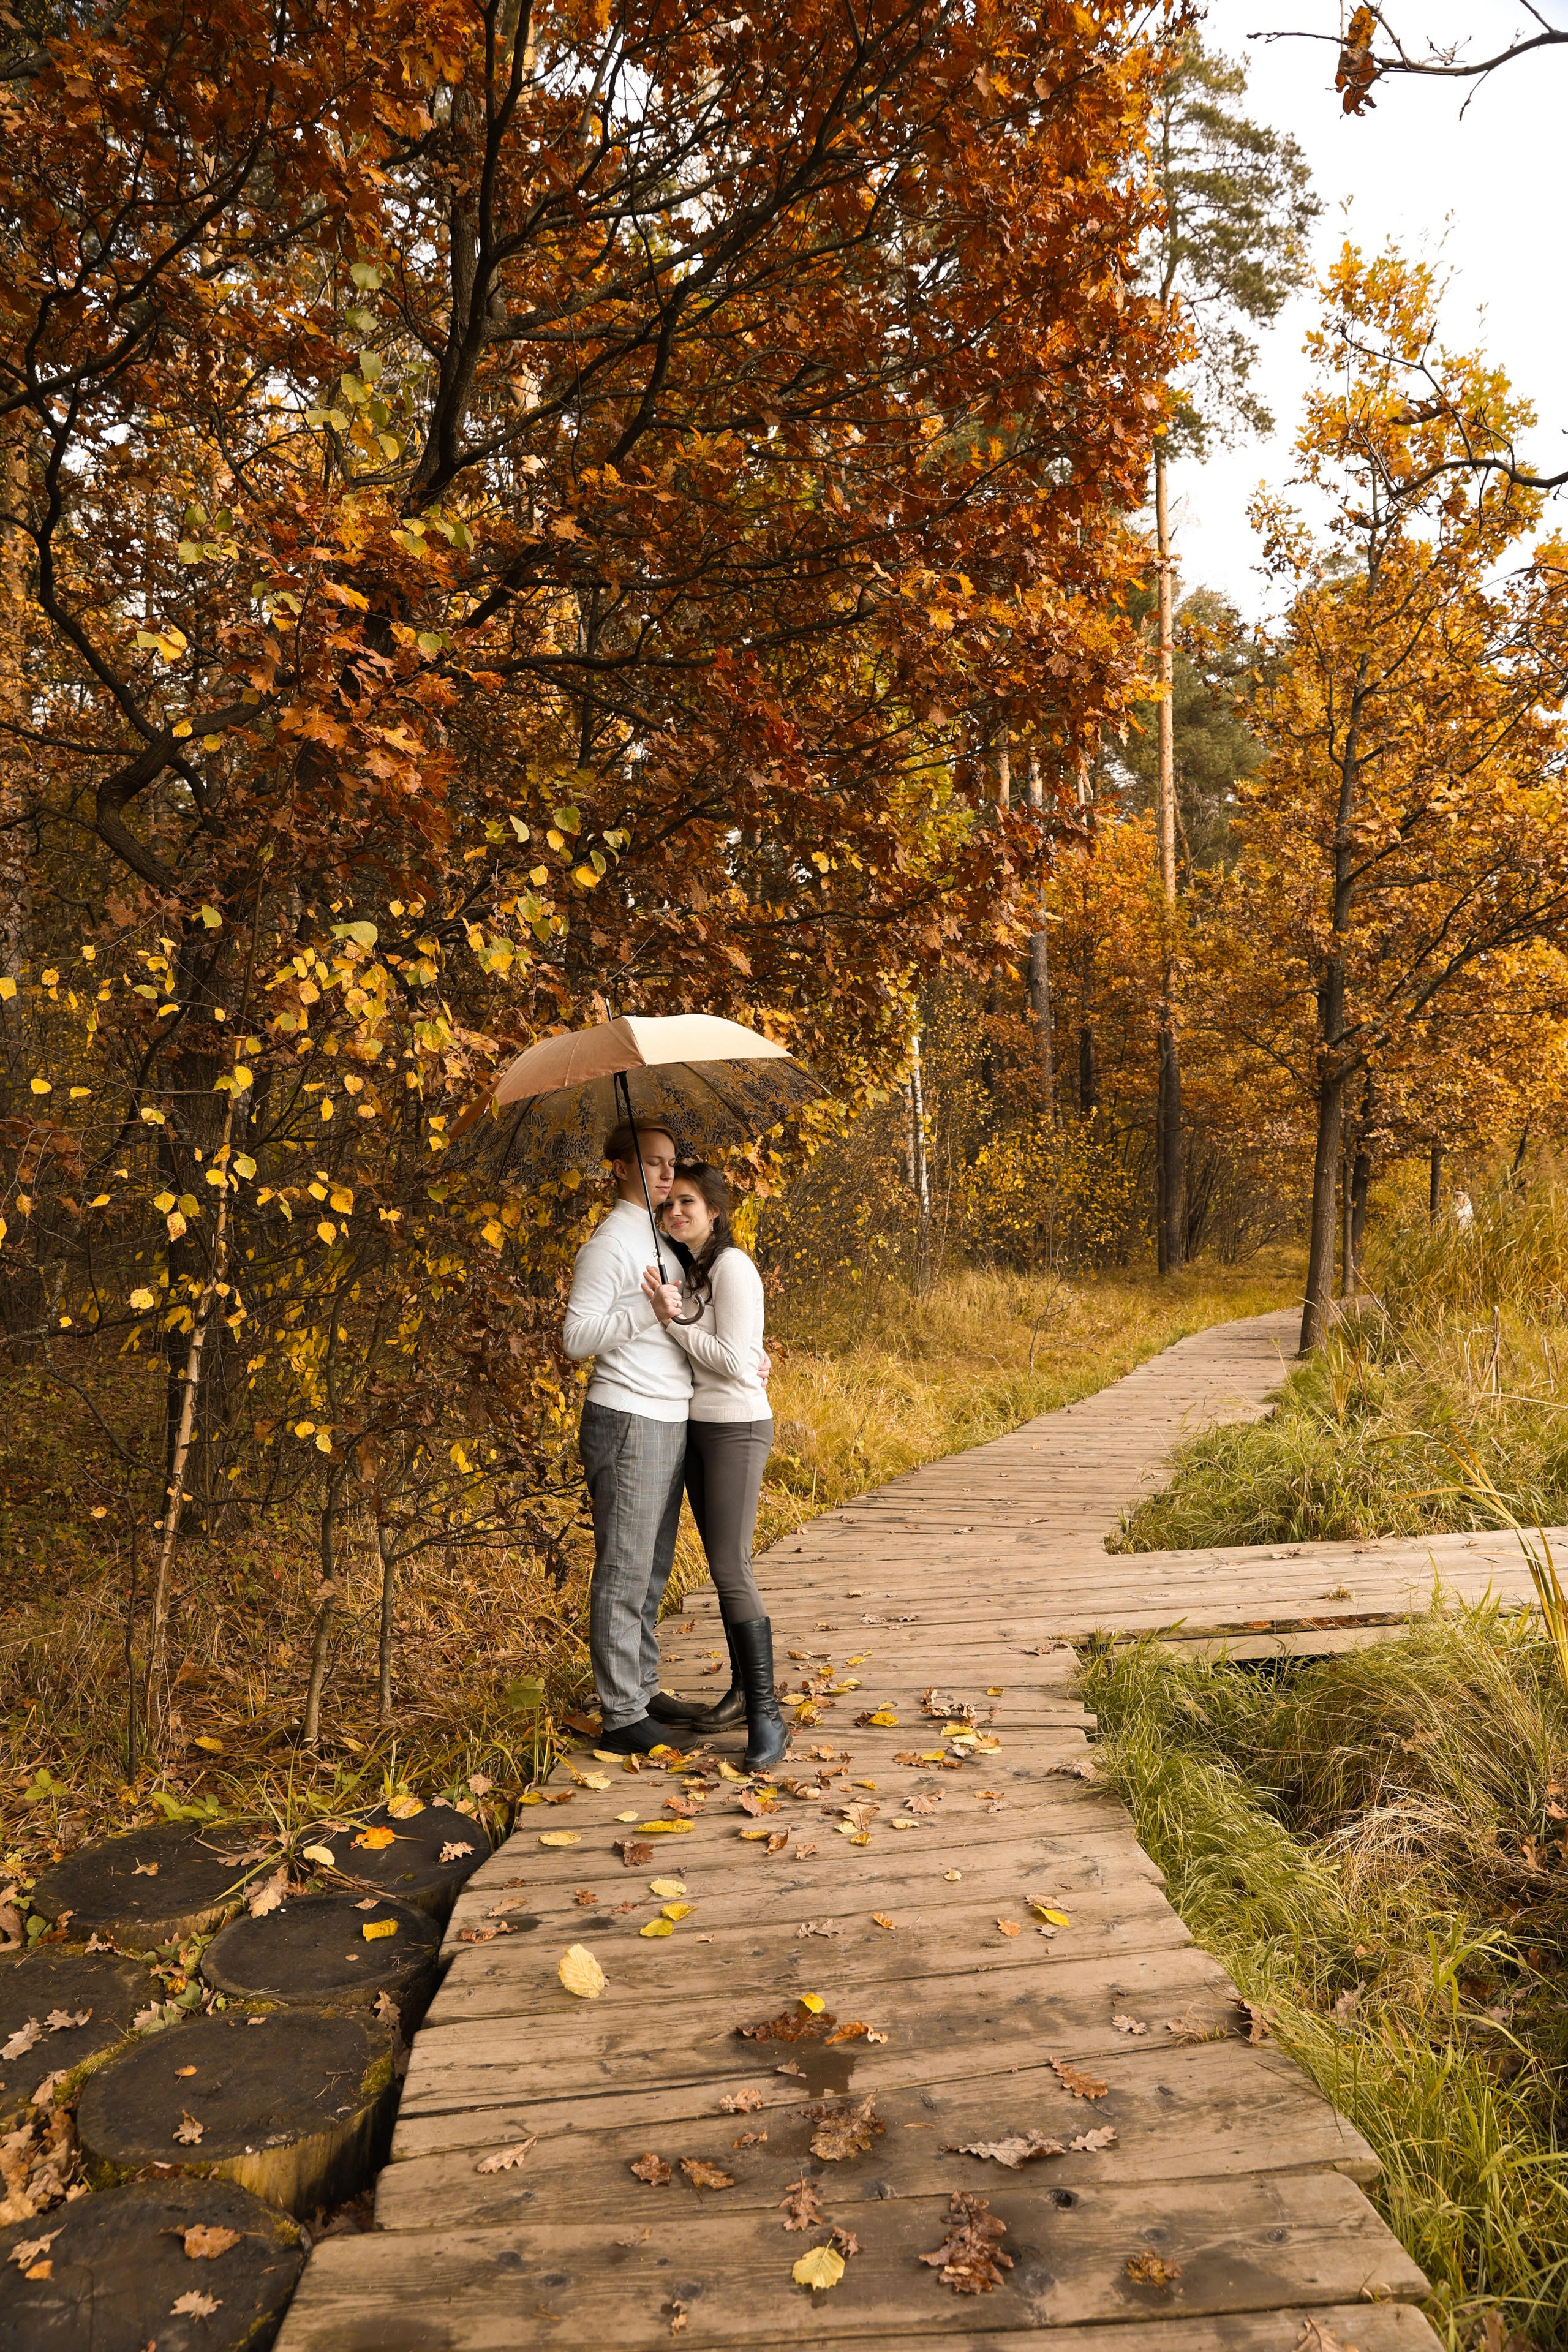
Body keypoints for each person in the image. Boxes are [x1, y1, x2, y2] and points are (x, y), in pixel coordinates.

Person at [641, 1161, 787, 1773]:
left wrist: (671, 1322)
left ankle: (766, 1713)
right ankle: (741, 1694)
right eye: (668, 1203)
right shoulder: (690, 1268)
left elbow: (733, 1361)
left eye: (689, 1203)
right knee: (723, 1566)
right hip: (697, 1427)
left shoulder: (732, 1266)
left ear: (715, 1210)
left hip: (736, 1427)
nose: (675, 1212)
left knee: (731, 1567)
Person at [562, 1121, 693, 1755]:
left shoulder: (661, 1236)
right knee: (624, 1568)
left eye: (671, 1162)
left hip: (669, 1414)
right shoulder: (610, 1243)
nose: (667, 1174)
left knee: (652, 1566)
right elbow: (576, 1338)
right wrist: (648, 1309)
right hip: (628, 1416)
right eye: (653, 1162)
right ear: (619, 1168)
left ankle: (642, 1687)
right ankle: (621, 1716)